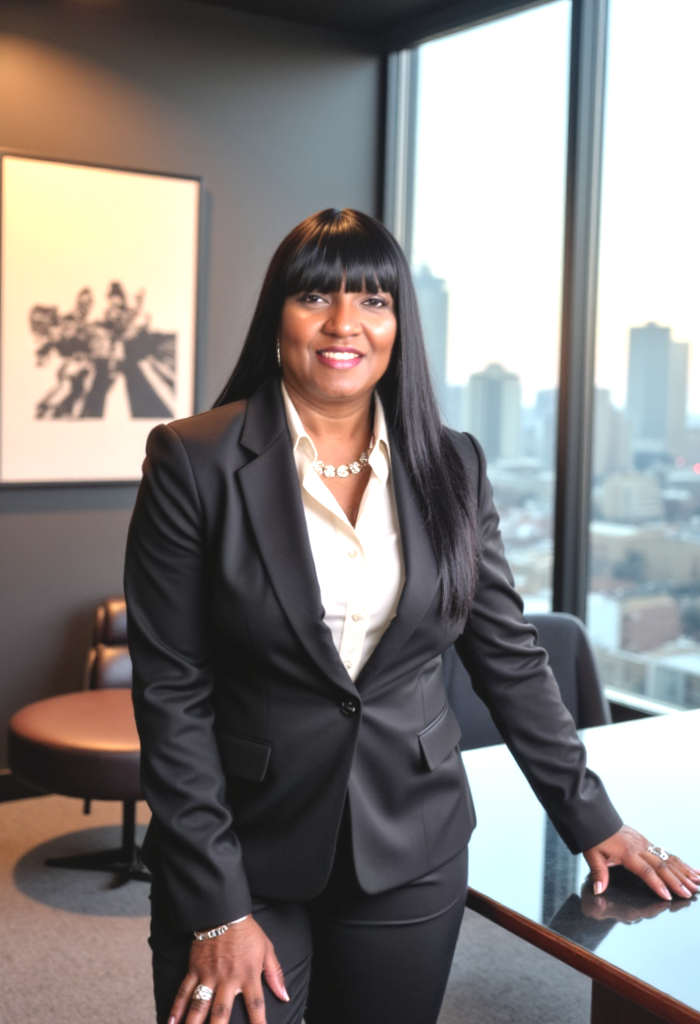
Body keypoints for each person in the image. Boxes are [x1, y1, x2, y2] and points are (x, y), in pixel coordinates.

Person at [124, 208, 699, 1024]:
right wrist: (217, 905)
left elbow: (508, 655)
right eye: (316, 297)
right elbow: (171, 695)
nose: (344, 324)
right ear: (277, 315)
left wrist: (592, 817)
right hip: (243, 844)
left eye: (374, 301)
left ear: (400, 324)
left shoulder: (451, 464)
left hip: (413, 841)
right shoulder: (194, 459)